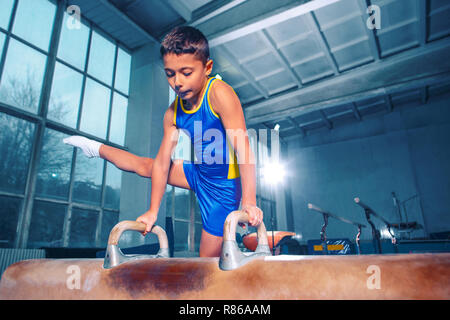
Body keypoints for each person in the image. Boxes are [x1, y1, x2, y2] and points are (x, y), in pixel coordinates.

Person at [64, 26, 263, 257]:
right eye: (170, 73)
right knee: (147, 166)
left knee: (206, 263)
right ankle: (96, 148)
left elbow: (243, 149)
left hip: (224, 188)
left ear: (207, 68)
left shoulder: (220, 94)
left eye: (186, 73)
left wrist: (248, 201)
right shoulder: (172, 113)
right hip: (199, 173)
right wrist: (152, 211)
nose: (177, 82)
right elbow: (161, 164)